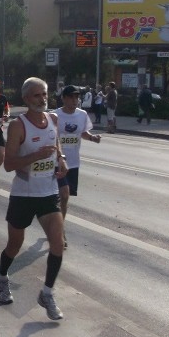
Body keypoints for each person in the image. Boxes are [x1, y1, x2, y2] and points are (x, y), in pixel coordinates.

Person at [0, 77, 68, 319]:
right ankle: (2, 276)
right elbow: (8, 165)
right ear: (26, 99)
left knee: (57, 244)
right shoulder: (19, 125)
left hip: (48, 192)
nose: (43, 99)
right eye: (37, 95)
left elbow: (55, 144)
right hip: (23, 195)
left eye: (45, 94)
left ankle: (47, 293)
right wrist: (35, 156)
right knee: (14, 245)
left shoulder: (53, 120)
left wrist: (62, 160)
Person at [55, 85, 101, 248]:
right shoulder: (55, 115)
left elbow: (82, 132)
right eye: (71, 97)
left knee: (65, 198)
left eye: (77, 98)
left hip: (74, 163)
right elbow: (50, 136)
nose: (75, 100)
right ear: (64, 98)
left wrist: (92, 138)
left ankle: (57, 223)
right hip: (57, 163)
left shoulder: (81, 115)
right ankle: (60, 232)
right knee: (65, 195)